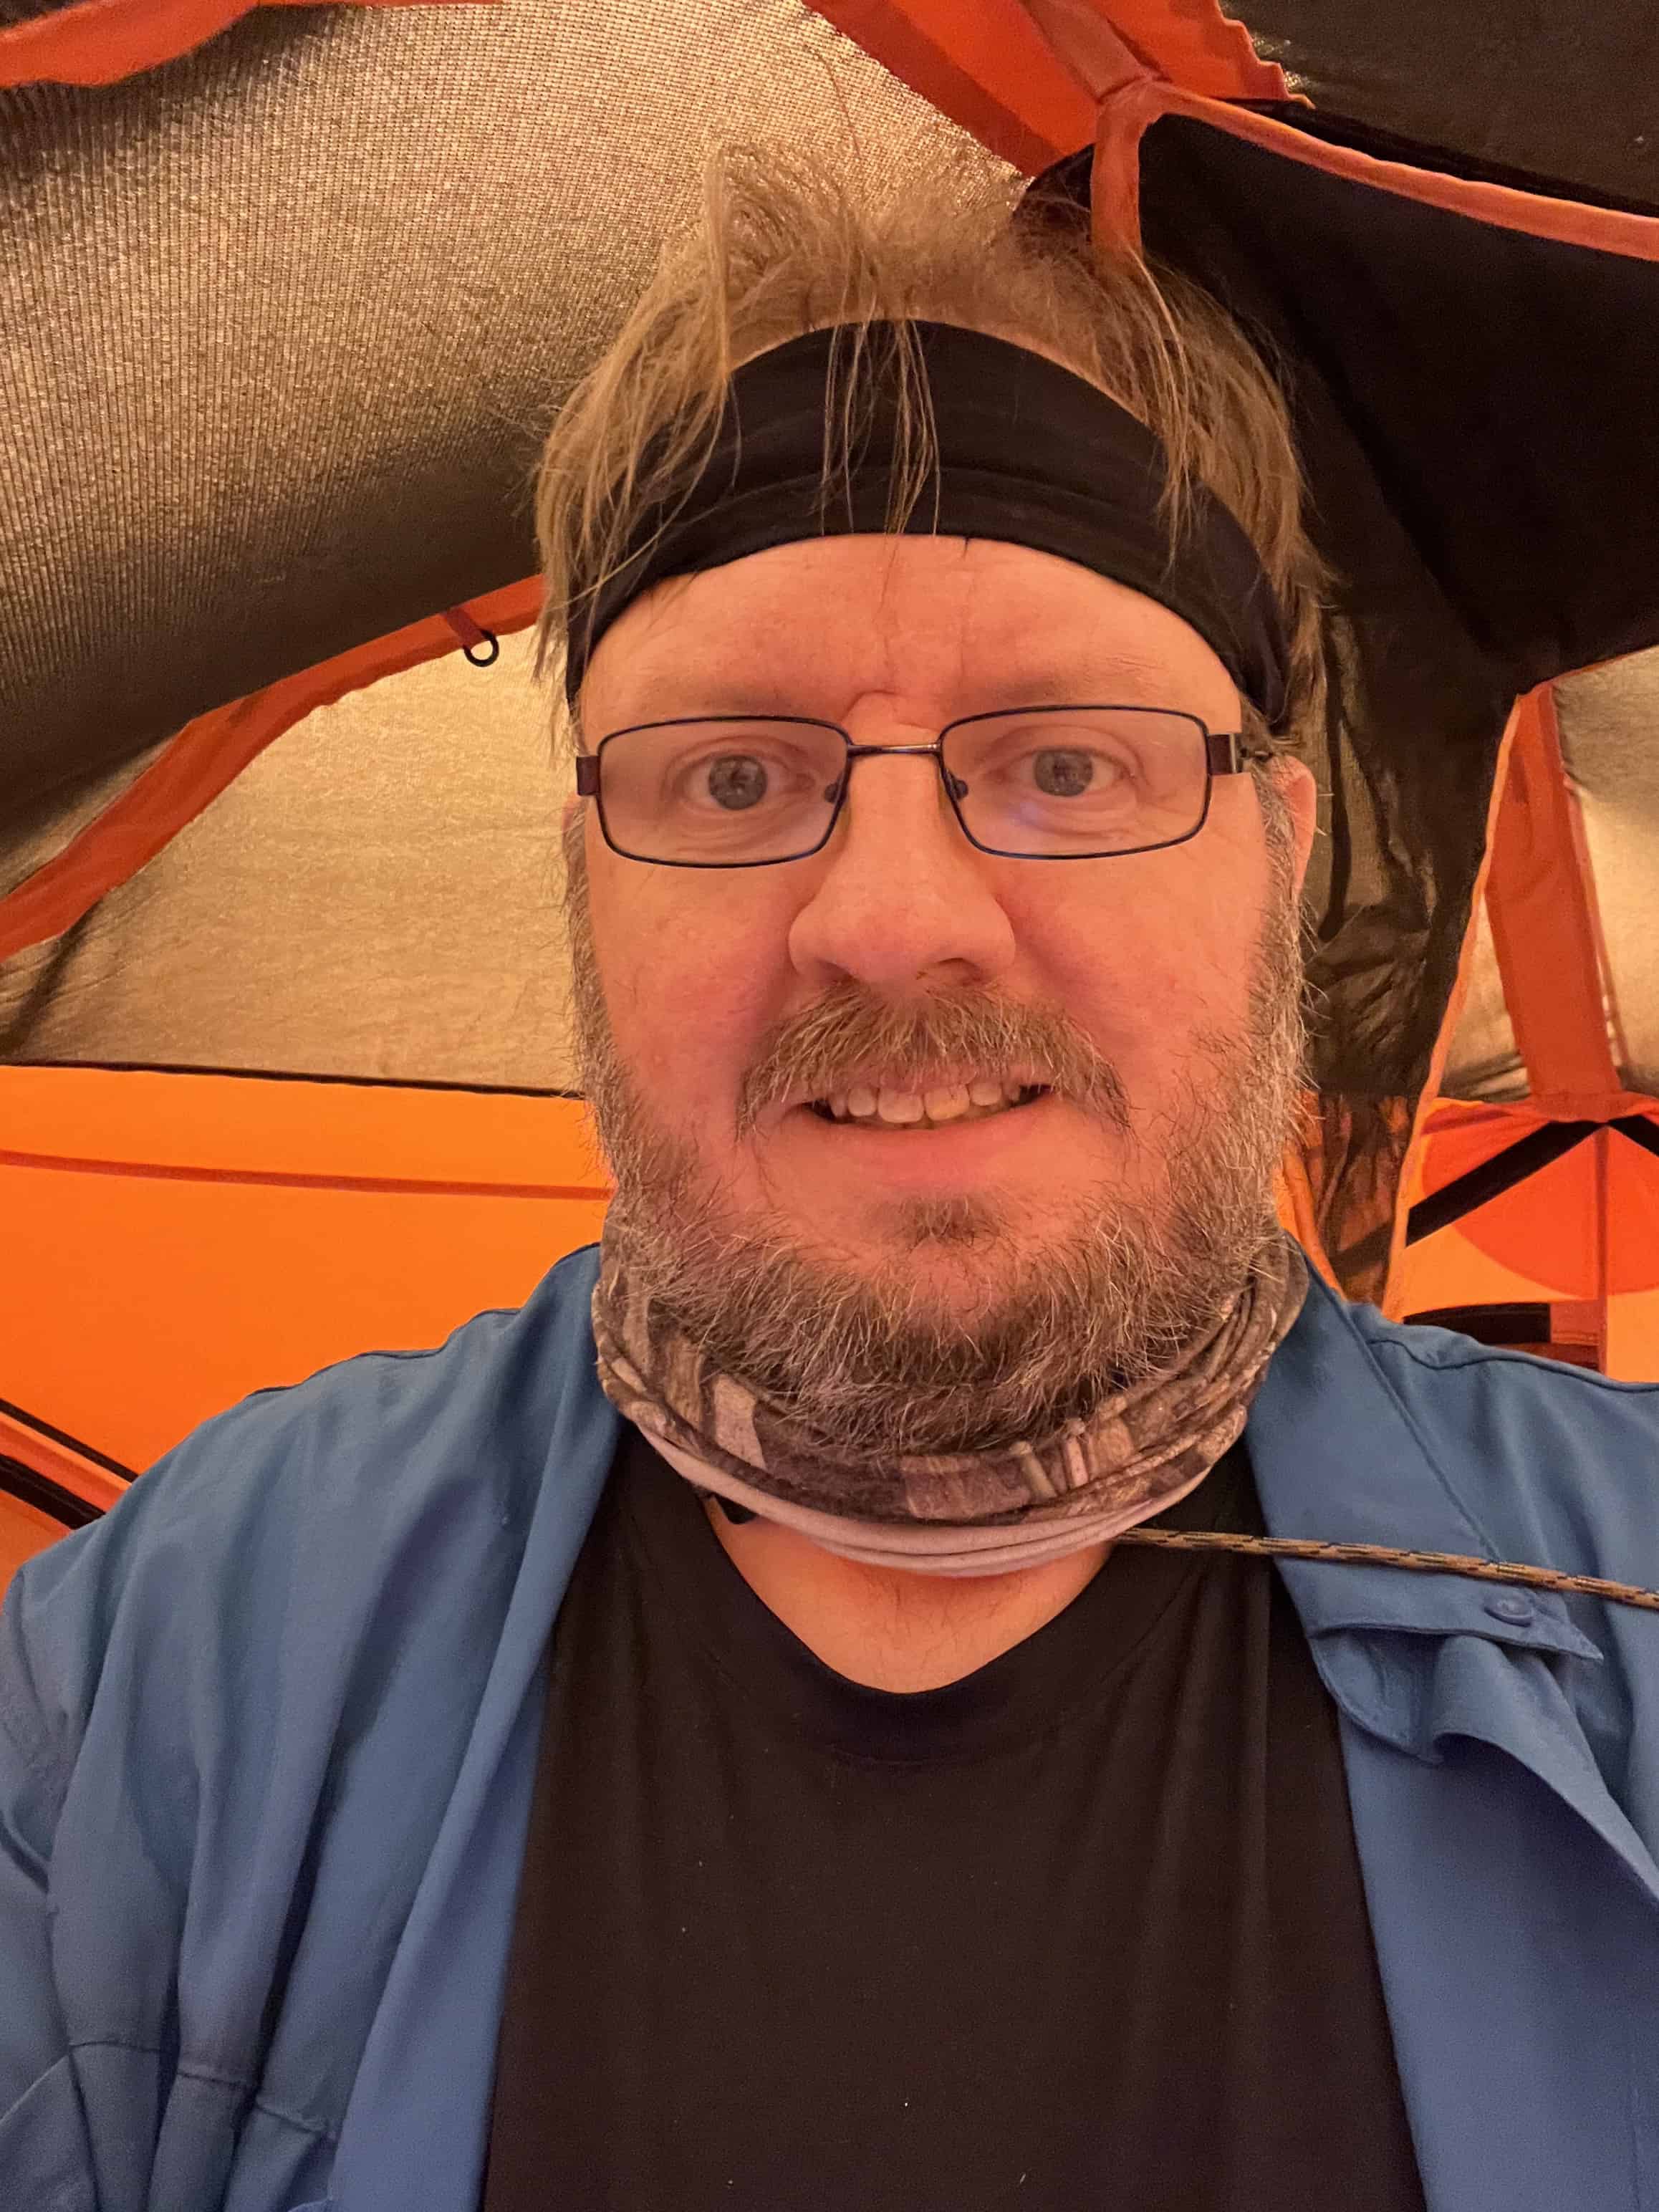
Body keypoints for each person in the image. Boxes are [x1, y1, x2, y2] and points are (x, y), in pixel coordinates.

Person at [4, 144, 1659, 2212]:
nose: (890, 919)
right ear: (586, 887)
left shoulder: (1634, 1608)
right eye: (731, 776)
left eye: (1065, 764)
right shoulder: (175, 1669)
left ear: (1280, 850)